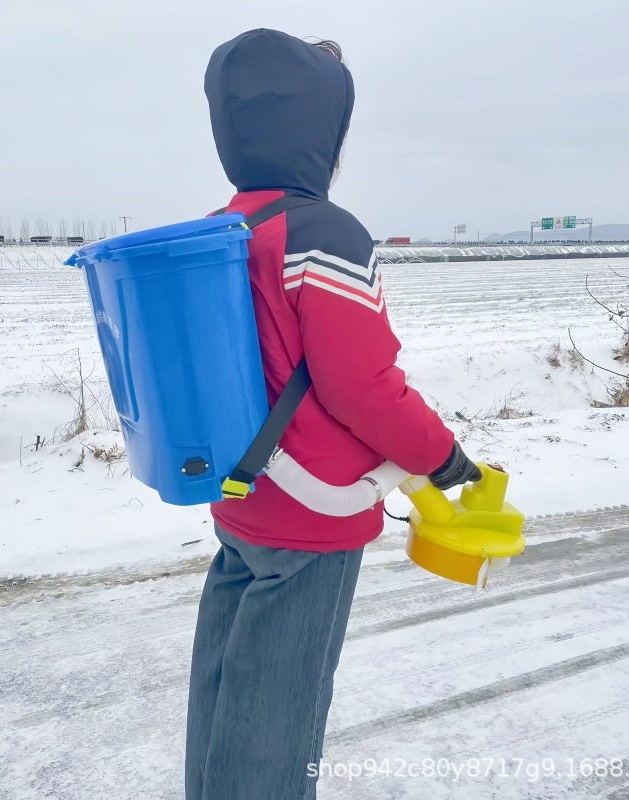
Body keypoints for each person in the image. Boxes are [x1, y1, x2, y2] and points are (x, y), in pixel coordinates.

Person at [186, 28, 481, 800]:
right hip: (313, 515)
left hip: (241, 498)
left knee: (223, 687)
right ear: (320, 129)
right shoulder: (326, 235)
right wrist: (444, 458)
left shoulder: (220, 228)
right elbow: (364, 387)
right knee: (278, 716)